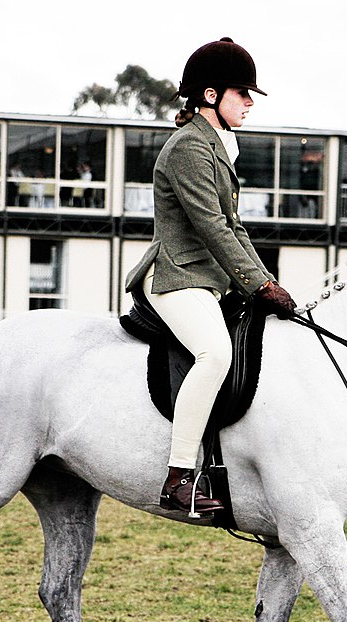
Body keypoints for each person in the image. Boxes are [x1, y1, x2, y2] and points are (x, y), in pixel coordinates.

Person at [123, 36, 296, 516]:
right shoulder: (188, 149)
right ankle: (179, 477)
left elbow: (235, 226)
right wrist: (259, 285)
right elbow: (212, 228)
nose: (249, 103)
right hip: (177, 276)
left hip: (210, 280)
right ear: (210, 95)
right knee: (215, 353)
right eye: (242, 93)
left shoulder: (219, 147)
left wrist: (266, 282)